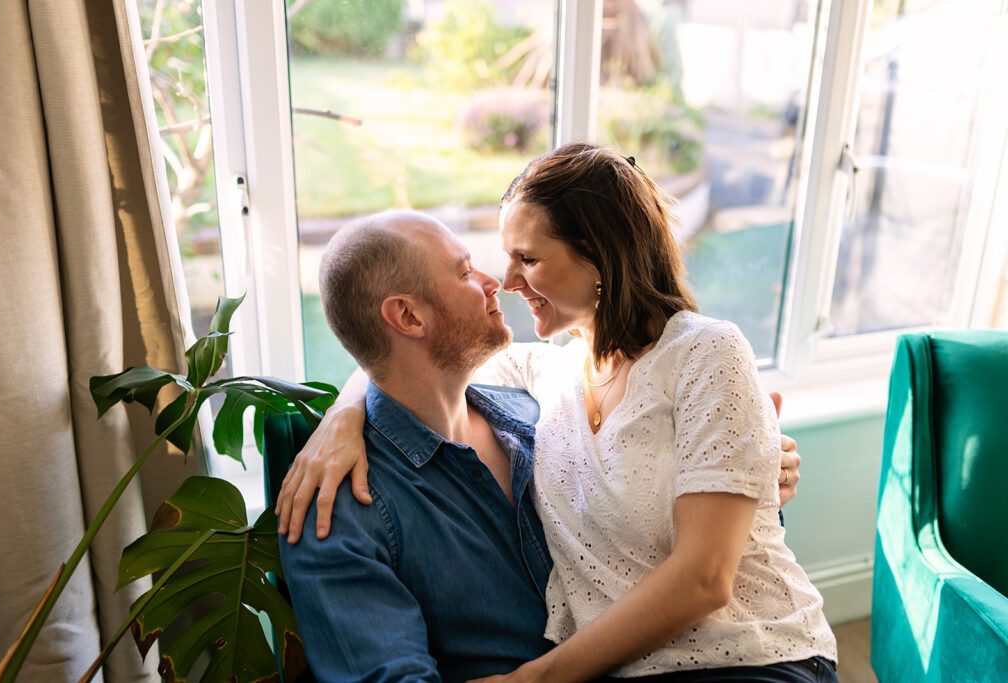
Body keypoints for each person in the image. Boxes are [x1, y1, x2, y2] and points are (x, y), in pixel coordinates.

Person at [279, 144, 833, 681]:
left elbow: (706, 572)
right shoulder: (543, 381)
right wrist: (342, 416)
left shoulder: (675, 360)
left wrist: (753, 469)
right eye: (469, 268)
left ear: (599, 257)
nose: (504, 280)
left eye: (527, 258)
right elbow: (386, 359)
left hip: (750, 660)